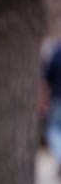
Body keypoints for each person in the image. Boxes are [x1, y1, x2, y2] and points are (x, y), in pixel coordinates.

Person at [41, 37, 61, 175]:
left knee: (52, 130)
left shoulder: (57, 52)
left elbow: (47, 80)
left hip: (58, 99)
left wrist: (43, 101)